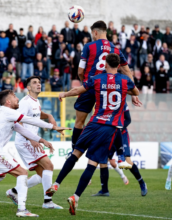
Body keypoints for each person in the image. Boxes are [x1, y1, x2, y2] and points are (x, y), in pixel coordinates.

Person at [55, 54, 140, 215]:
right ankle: (76, 196)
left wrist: (64, 94)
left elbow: (78, 90)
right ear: (118, 65)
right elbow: (135, 90)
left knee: (75, 153)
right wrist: (131, 93)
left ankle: (57, 183)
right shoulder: (124, 80)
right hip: (109, 126)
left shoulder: (97, 78)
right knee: (92, 163)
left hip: (93, 123)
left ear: (106, 64)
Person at [0, 89, 68, 216]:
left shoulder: (3, 113)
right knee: (22, 173)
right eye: (14, 96)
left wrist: (41, 140)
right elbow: (29, 120)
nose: (17, 98)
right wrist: (53, 126)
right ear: (8, 101)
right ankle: (22, 210)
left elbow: (22, 130)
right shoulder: (7, 111)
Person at [69, 21, 132, 158]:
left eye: (92, 33)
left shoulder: (89, 46)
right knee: (110, 121)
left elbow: (80, 70)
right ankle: (118, 154)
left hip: (90, 87)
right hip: (107, 89)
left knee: (79, 121)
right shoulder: (115, 49)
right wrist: (133, 92)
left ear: (95, 32)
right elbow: (127, 70)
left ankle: (74, 152)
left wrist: (84, 83)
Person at [6, 76, 62, 209]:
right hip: (25, 141)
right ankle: (47, 202)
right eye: (35, 83)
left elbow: (36, 115)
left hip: (30, 140)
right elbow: (18, 120)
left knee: (42, 174)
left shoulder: (35, 102)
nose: (38, 84)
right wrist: (31, 139)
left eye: (39, 82)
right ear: (29, 88)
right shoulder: (25, 102)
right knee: (49, 165)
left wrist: (49, 116)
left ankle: (13, 192)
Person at [92, 104, 147, 197]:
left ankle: (142, 183)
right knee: (103, 160)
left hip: (121, 134)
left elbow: (128, 119)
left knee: (128, 161)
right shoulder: (102, 102)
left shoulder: (121, 101)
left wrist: (117, 129)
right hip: (108, 134)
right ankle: (104, 190)